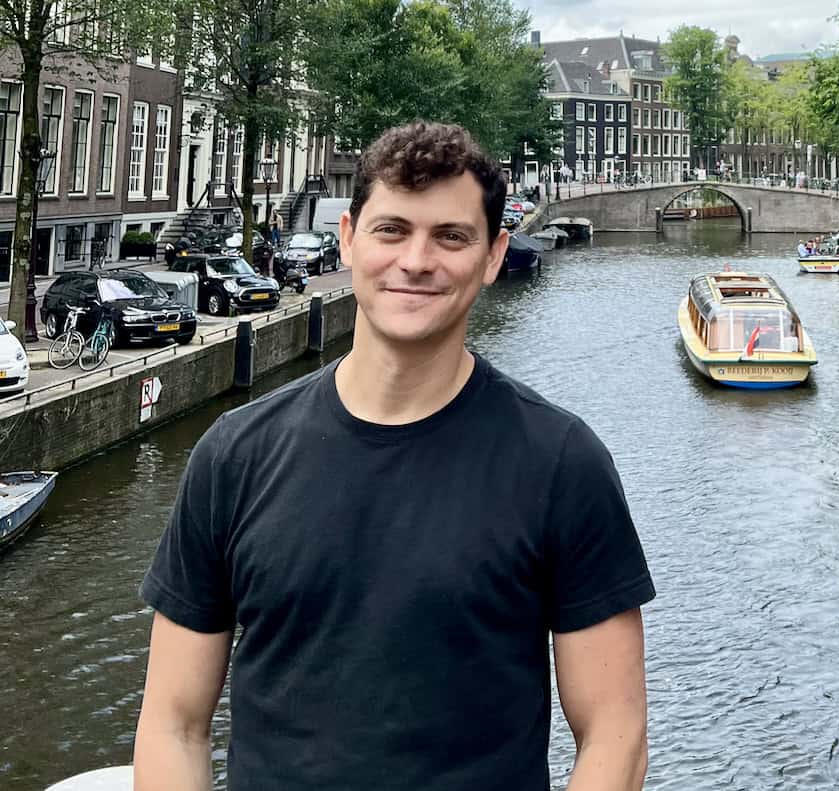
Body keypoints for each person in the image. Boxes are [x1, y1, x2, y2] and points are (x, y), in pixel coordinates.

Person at [134, 122, 655, 790]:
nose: (416, 260)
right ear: (348, 239)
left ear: (494, 256)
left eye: (450, 236)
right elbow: (173, 723)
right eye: (391, 230)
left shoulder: (562, 463)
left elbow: (615, 735)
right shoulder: (233, 456)